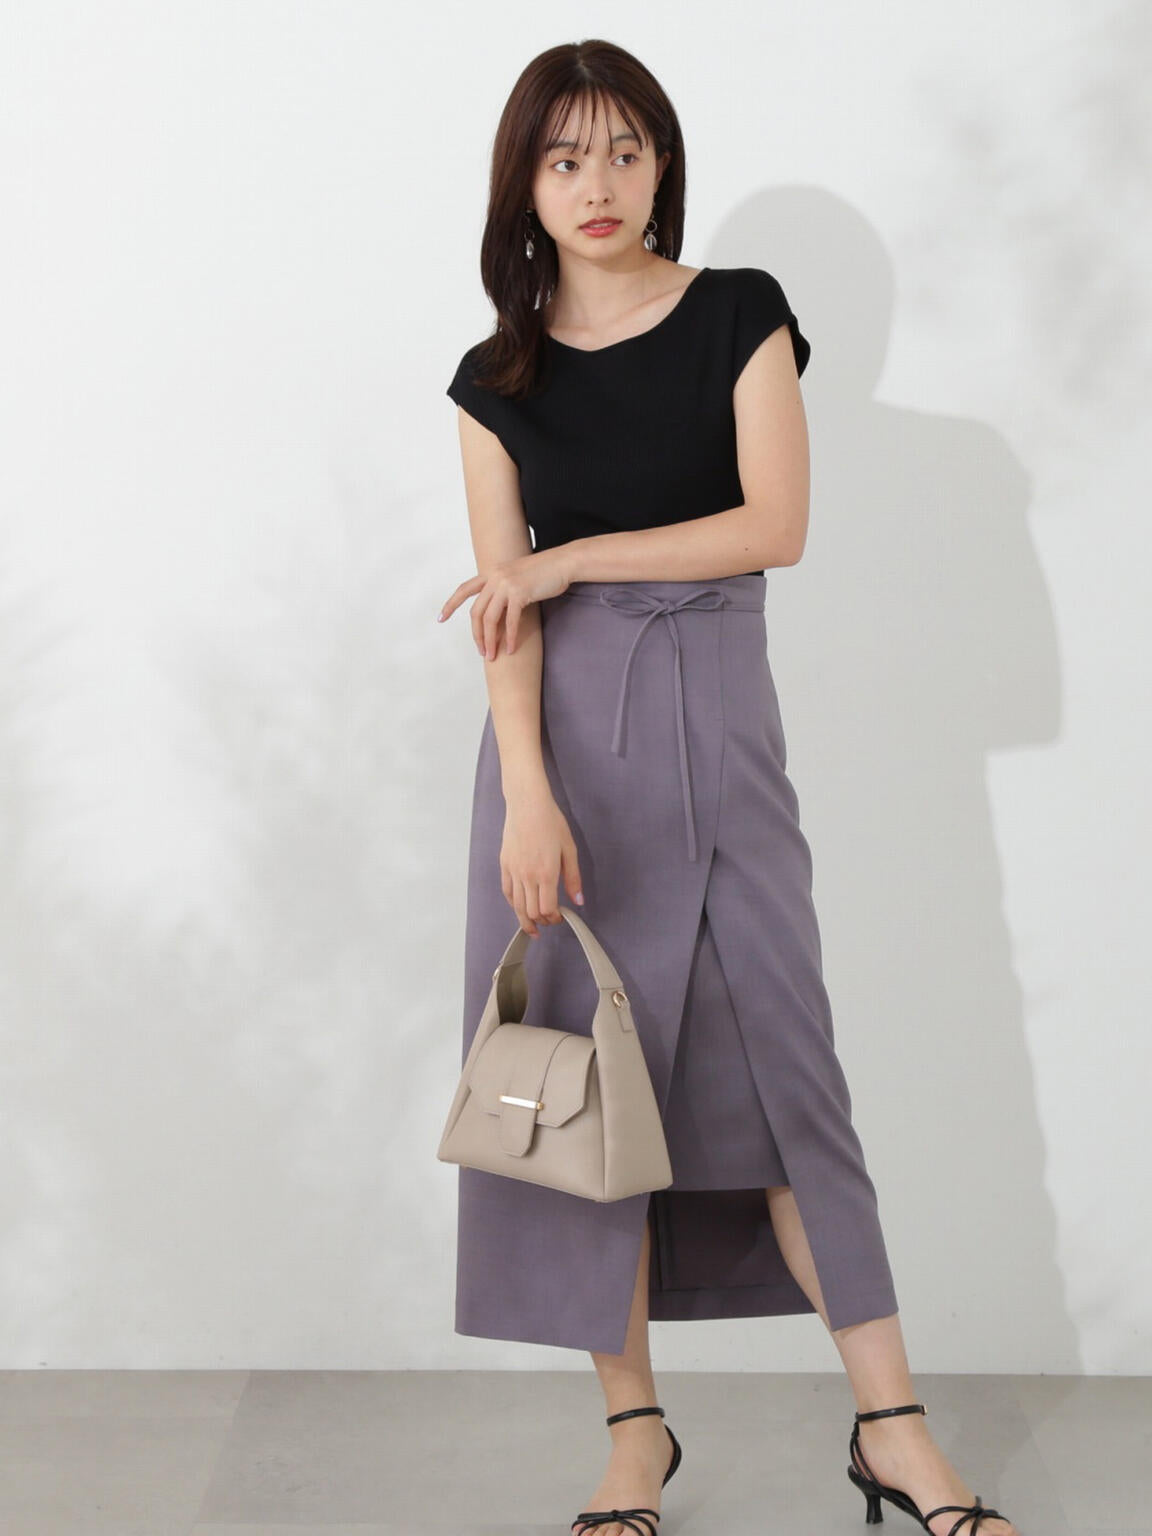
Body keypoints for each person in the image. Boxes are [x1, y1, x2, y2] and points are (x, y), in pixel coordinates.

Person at [436, 39, 1020, 1536]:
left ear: (663, 163)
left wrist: (568, 556)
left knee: (791, 1077)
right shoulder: (495, 381)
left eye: (626, 150)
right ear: (524, 185)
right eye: (565, 157)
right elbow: (506, 622)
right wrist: (527, 796)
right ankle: (634, 1438)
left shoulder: (739, 314)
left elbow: (774, 526)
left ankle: (894, 1431)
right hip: (568, 756)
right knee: (591, 1093)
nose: (599, 183)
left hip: (721, 726)